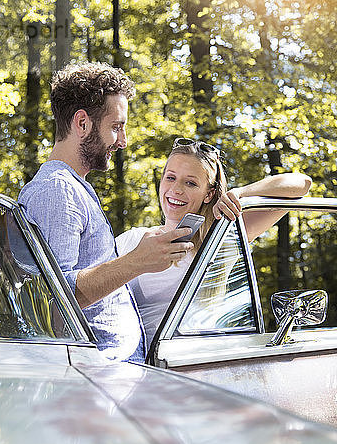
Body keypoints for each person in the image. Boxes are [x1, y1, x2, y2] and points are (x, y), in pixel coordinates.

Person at [18, 63, 194, 362]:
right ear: (82, 123)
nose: (123, 141)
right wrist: (136, 262)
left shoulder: (73, 188)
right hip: (95, 377)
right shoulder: (56, 191)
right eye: (116, 126)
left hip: (109, 374)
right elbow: (50, 302)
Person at [116, 138, 312, 347]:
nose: (176, 189)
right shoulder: (133, 239)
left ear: (209, 194)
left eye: (190, 183)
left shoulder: (221, 237)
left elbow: (301, 185)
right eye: (170, 178)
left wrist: (240, 194)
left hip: (207, 358)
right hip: (149, 362)